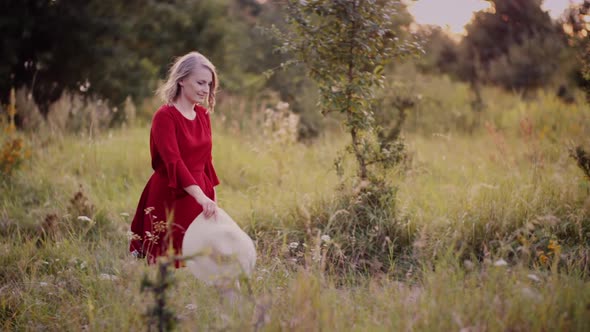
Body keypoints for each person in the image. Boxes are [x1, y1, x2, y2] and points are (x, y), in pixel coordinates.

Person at [129, 51, 221, 268]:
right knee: (166, 265)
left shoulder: (203, 116)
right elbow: (174, 162)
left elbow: (207, 161)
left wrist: (213, 199)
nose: (205, 89)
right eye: (200, 82)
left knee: (199, 263)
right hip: (170, 196)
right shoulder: (164, 116)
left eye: (208, 84)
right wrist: (200, 197)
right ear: (181, 80)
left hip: (200, 195)